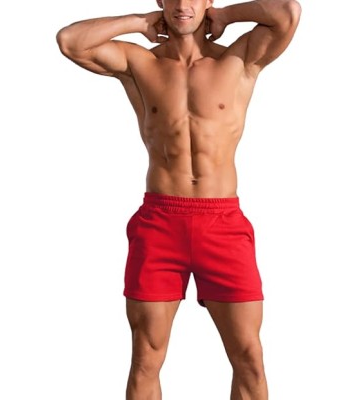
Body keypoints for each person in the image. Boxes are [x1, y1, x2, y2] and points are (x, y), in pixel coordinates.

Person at [56, 0, 301, 398]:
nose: (183, 4)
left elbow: (287, 12)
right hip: (160, 223)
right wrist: (138, 23)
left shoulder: (238, 59)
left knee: (249, 359)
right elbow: (70, 41)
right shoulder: (140, 63)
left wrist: (227, 16)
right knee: (146, 360)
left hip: (222, 224)